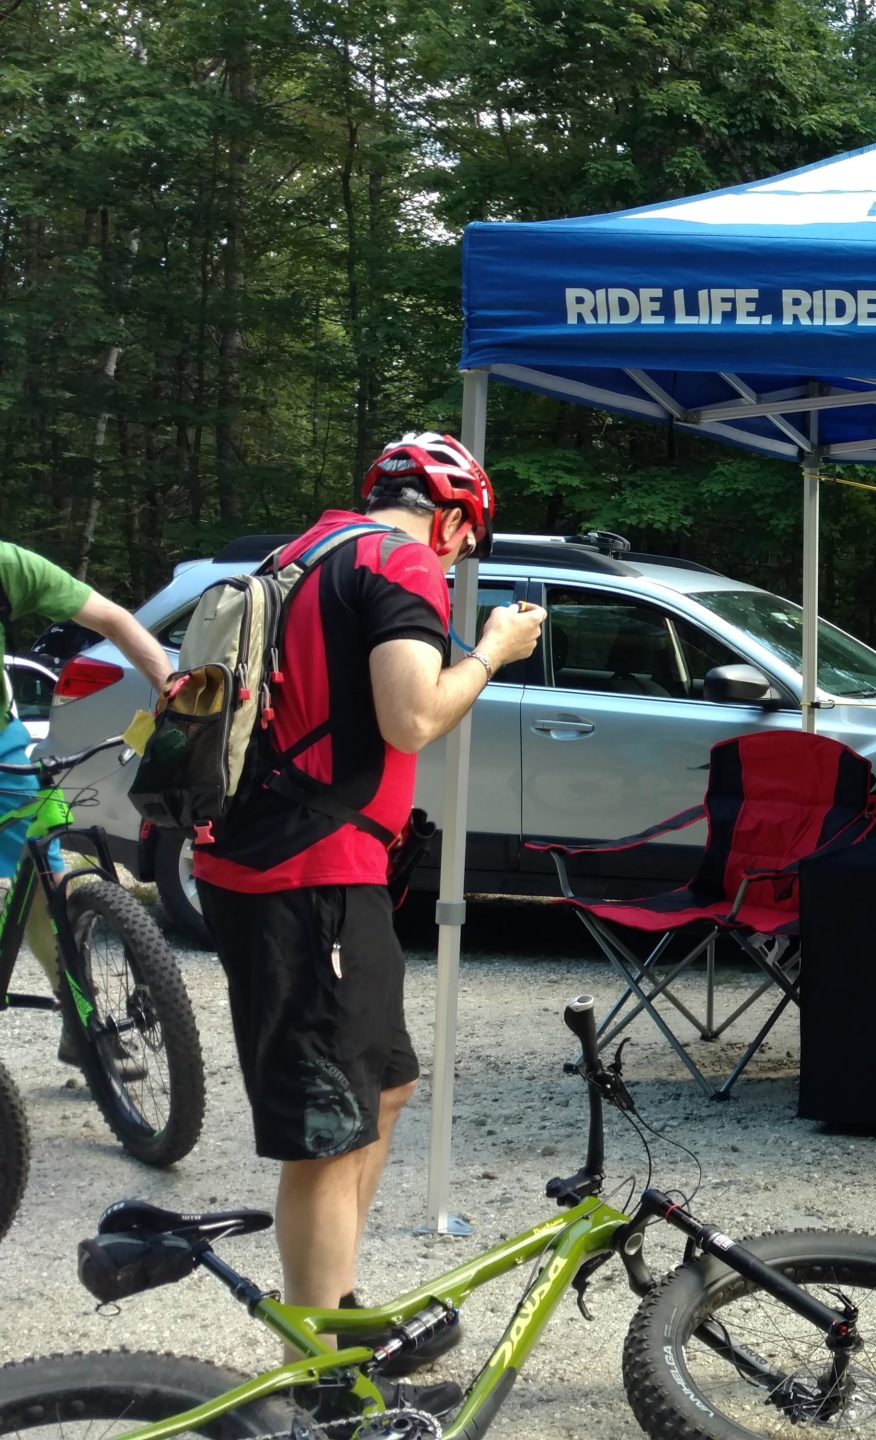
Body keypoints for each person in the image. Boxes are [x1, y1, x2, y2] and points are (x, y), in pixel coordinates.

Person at [192, 432, 543, 1405]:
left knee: (382, 1084)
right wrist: (493, 651)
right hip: (306, 873)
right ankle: (322, 1383)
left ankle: (338, 1313)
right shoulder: (399, 560)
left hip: (305, 865)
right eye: (465, 542)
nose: (461, 560)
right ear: (452, 516)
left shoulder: (303, 554)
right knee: (327, 1132)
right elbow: (412, 716)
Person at [0, 542, 174, 1068]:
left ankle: (81, 1019)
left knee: (50, 879)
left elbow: (114, 620)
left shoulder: (7, 565)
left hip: (4, 747)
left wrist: (175, 689)